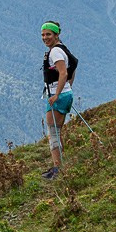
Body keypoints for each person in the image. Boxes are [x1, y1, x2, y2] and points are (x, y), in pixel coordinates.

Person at [41, 21, 75, 180]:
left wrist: (57, 94)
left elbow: (63, 73)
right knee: (57, 131)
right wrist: (68, 88)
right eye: (43, 34)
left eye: (48, 34)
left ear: (56, 35)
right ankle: (59, 165)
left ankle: (57, 169)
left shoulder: (55, 52)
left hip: (57, 95)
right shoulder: (63, 49)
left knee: (53, 133)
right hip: (64, 94)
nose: (45, 37)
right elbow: (73, 65)